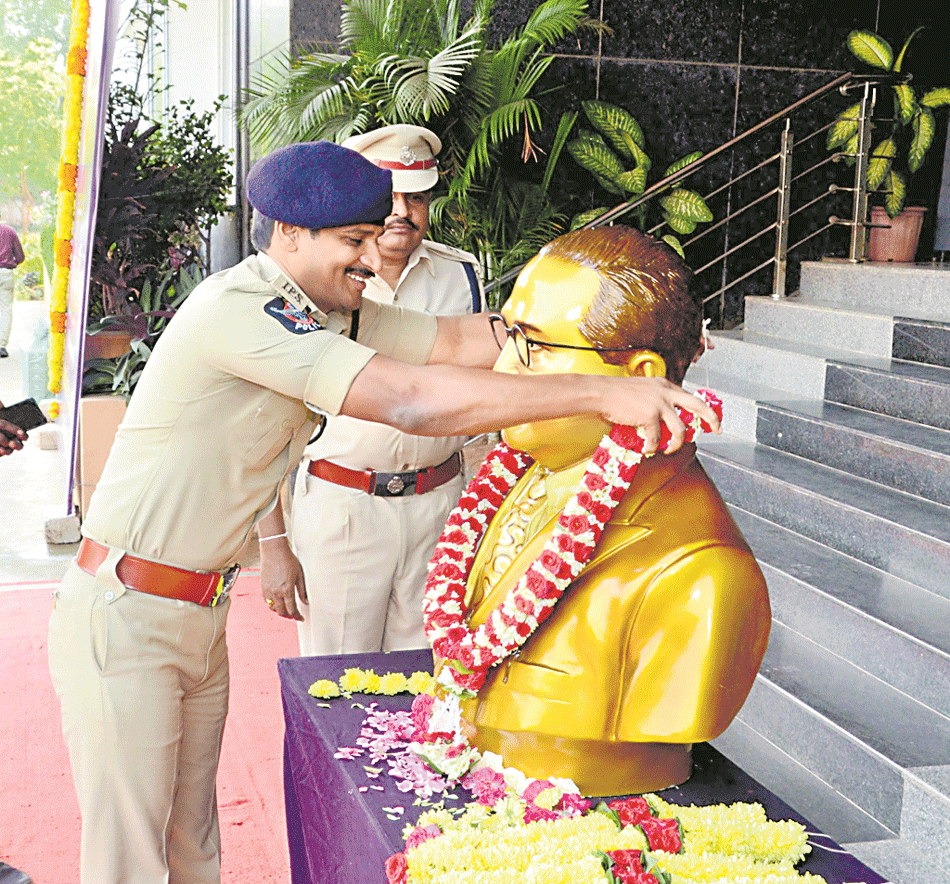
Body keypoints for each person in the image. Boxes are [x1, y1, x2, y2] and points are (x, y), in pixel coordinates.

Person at [47, 140, 719, 884]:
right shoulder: (241, 311)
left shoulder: (325, 308)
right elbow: (411, 400)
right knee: (128, 857)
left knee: (192, 840)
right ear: (289, 232)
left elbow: (453, 341)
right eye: (354, 242)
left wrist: (612, 342)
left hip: (197, 611)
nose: (372, 258)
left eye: (374, 238)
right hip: (128, 609)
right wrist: (603, 393)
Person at [435, 225, 771, 797]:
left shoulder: (700, 574)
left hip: (589, 782)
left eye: (535, 347)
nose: (503, 374)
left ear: (640, 379)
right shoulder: (530, 471)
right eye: (509, 337)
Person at [270, 124, 481, 654]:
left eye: (418, 197)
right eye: (391, 196)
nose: (402, 213)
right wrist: (273, 541)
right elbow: (264, 426)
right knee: (338, 681)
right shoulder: (313, 282)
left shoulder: (463, 276)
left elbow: (486, 383)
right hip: (346, 508)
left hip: (440, 506)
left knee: (428, 683)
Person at [0, 221, 25, 358]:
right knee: (5, 309)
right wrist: (13, 263)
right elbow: (20, 256)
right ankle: (1, 346)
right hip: (5, 273)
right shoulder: (9, 231)